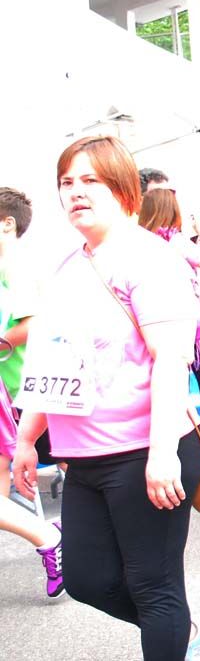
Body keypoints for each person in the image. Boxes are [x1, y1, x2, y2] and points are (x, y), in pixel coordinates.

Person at [11, 136, 200, 659]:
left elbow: (171, 360)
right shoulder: (67, 266)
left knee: (154, 586)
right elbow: (52, 363)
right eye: (67, 183)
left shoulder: (151, 259)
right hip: (83, 456)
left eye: (90, 180)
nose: (75, 192)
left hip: (144, 451)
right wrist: (28, 438)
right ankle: (181, 632)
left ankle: (172, 633)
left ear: (122, 189)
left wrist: (162, 452)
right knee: (86, 579)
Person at [138, 188, 200, 495]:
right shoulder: (176, 241)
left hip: (156, 331)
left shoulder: (139, 245)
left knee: (175, 395)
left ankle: (179, 459)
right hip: (194, 330)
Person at [0, 186, 64, 599]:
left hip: (29, 390)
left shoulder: (16, 264)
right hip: (20, 392)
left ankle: (57, 539)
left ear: (8, 224)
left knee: (80, 467)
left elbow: (33, 321)